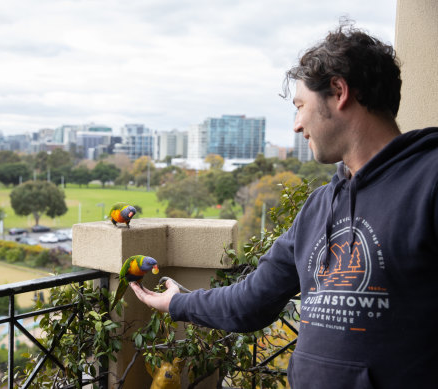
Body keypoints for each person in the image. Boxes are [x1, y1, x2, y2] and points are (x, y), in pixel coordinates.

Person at [131, 21, 438, 388]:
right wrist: (178, 303)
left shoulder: (430, 180)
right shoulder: (319, 207)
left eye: (300, 106)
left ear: (339, 91)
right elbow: (250, 301)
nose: (296, 125)